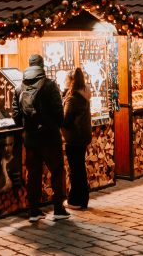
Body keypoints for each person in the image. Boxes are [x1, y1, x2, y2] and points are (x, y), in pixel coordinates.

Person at [12, 55, 68, 222]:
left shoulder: (19, 88)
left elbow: (15, 116)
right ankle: (58, 208)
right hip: (50, 138)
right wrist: (52, 125)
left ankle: (34, 211)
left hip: (31, 139)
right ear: (42, 66)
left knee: (33, 174)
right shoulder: (50, 86)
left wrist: (29, 126)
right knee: (57, 172)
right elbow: (59, 114)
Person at [62, 67, 92, 210]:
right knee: (80, 169)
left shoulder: (73, 99)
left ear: (71, 81)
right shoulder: (84, 96)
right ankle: (83, 200)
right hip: (83, 137)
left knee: (75, 170)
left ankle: (75, 201)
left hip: (74, 139)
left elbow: (66, 120)